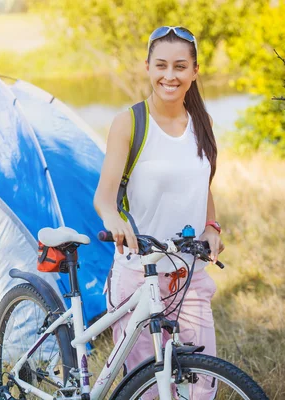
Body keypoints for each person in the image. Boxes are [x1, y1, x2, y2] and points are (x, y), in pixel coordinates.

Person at [93, 26, 225, 397]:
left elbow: (202, 185)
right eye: (162, 65)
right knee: (145, 387)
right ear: (148, 67)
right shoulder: (129, 123)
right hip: (139, 273)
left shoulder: (203, 124)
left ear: (195, 72)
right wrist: (114, 220)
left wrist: (212, 225)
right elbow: (104, 197)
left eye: (180, 66)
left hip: (189, 273)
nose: (171, 75)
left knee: (200, 385)